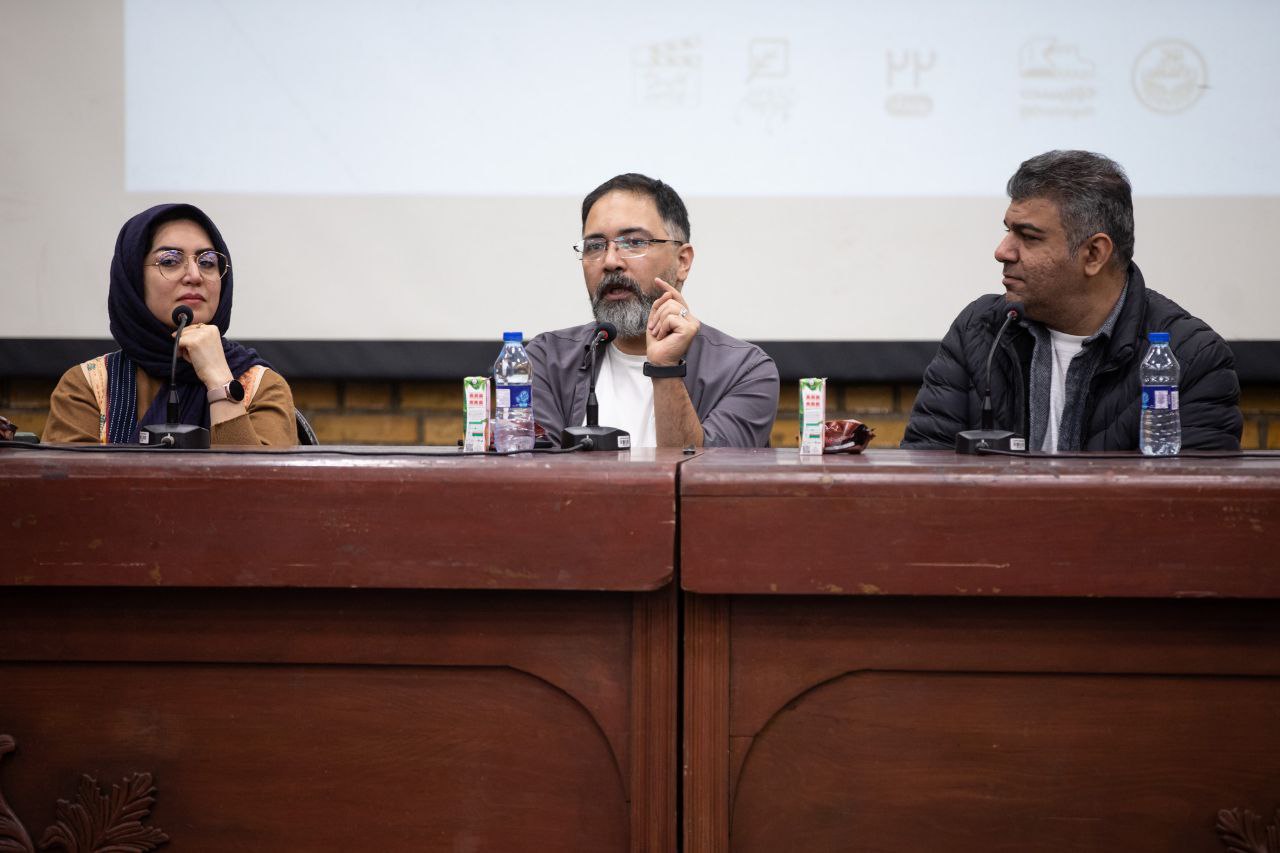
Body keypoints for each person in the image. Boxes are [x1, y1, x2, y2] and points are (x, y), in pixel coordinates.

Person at [902, 150, 1241, 452]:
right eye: (1008, 231)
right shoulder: (980, 330)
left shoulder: (1190, 357)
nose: (1002, 251)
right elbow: (925, 470)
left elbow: (1194, 495)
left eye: (1028, 237)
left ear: (1094, 254)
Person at [527, 173, 778, 448]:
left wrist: (666, 367)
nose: (610, 261)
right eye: (595, 246)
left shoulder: (744, 371)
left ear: (682, 261)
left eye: (634, 242)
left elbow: (698, 471)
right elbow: (532, 468)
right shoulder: (546, 361)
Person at [43, 203, 297, 445]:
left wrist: (220, 383)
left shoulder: (260, 385)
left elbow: (258, 476)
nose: (195, 276)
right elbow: (69, 477)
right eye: (169, 261)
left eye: (207, 262)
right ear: (133, 277)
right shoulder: (88, 386)